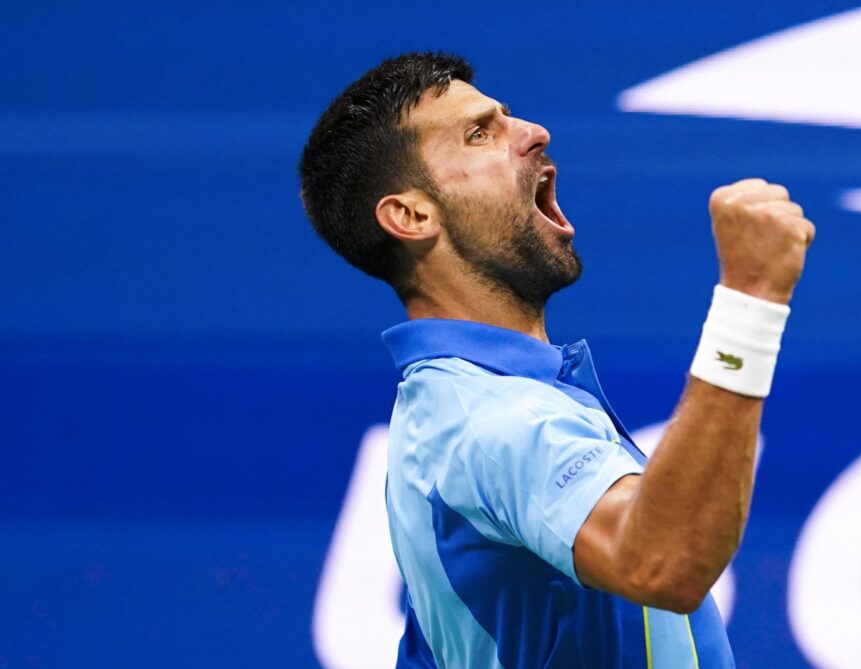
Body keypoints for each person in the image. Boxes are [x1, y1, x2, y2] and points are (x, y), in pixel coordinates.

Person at [298, 52, 814, 669]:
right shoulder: (489, 421)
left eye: (506, 116)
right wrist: (749, 303)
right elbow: (661, 561)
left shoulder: (461, 406)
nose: (534, 131)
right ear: (411, 216)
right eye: (479, 133)